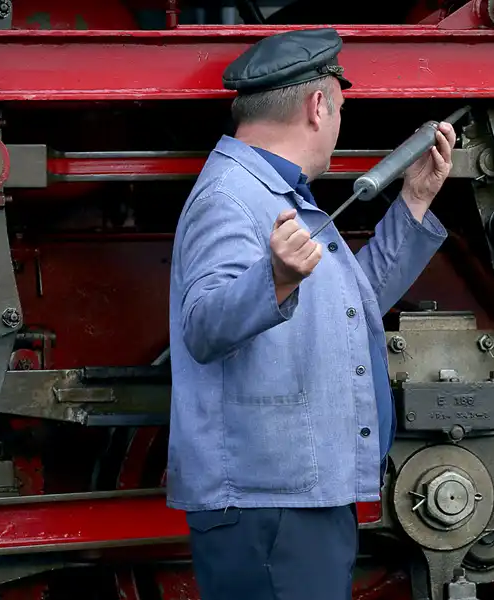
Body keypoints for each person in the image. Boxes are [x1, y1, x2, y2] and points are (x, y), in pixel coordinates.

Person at [166, 27, 456, 600]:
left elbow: (353, 307)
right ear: (318, 105)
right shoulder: (230, 197)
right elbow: (202, 326)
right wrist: (273, 280)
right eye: (341, 110)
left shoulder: (275, 195)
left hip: (294, 497)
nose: (338, 124)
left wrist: (415, 202)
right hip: (270, 505)